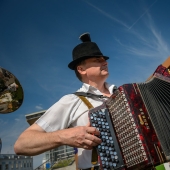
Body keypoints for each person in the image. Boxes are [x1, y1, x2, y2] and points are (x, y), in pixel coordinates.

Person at [14, 33, 116, 170]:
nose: (105, 62)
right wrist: (64, 136)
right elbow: (21, 144)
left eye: (104, 59)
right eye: (98, 60)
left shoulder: (122, 94)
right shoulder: (71, 100)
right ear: (81, 69)